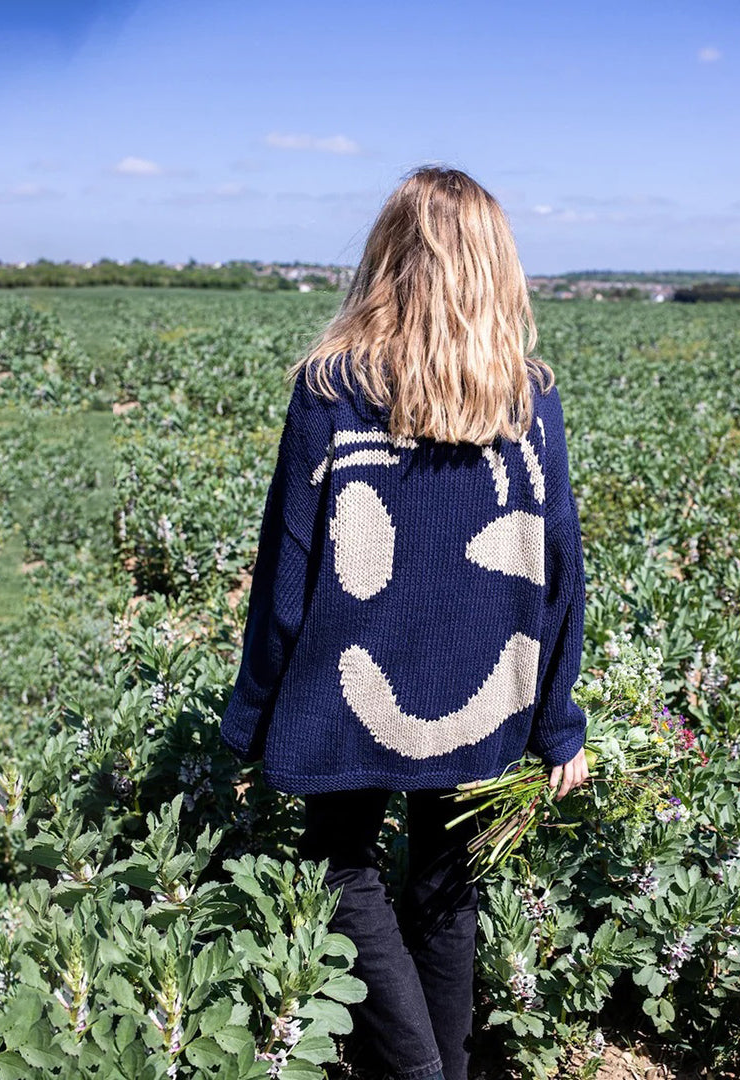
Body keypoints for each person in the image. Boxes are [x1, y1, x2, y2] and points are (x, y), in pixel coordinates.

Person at [219, 165, 590, 1080]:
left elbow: (286, 573)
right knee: (443, 884)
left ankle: (418, 1071)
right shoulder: (527, 405)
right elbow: (559, 579)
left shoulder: (331, 392)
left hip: (349, 694)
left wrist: (249, 721)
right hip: (484, 699)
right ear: (497, 269)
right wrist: (557, 723)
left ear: (387, 261)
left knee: (340, 863)